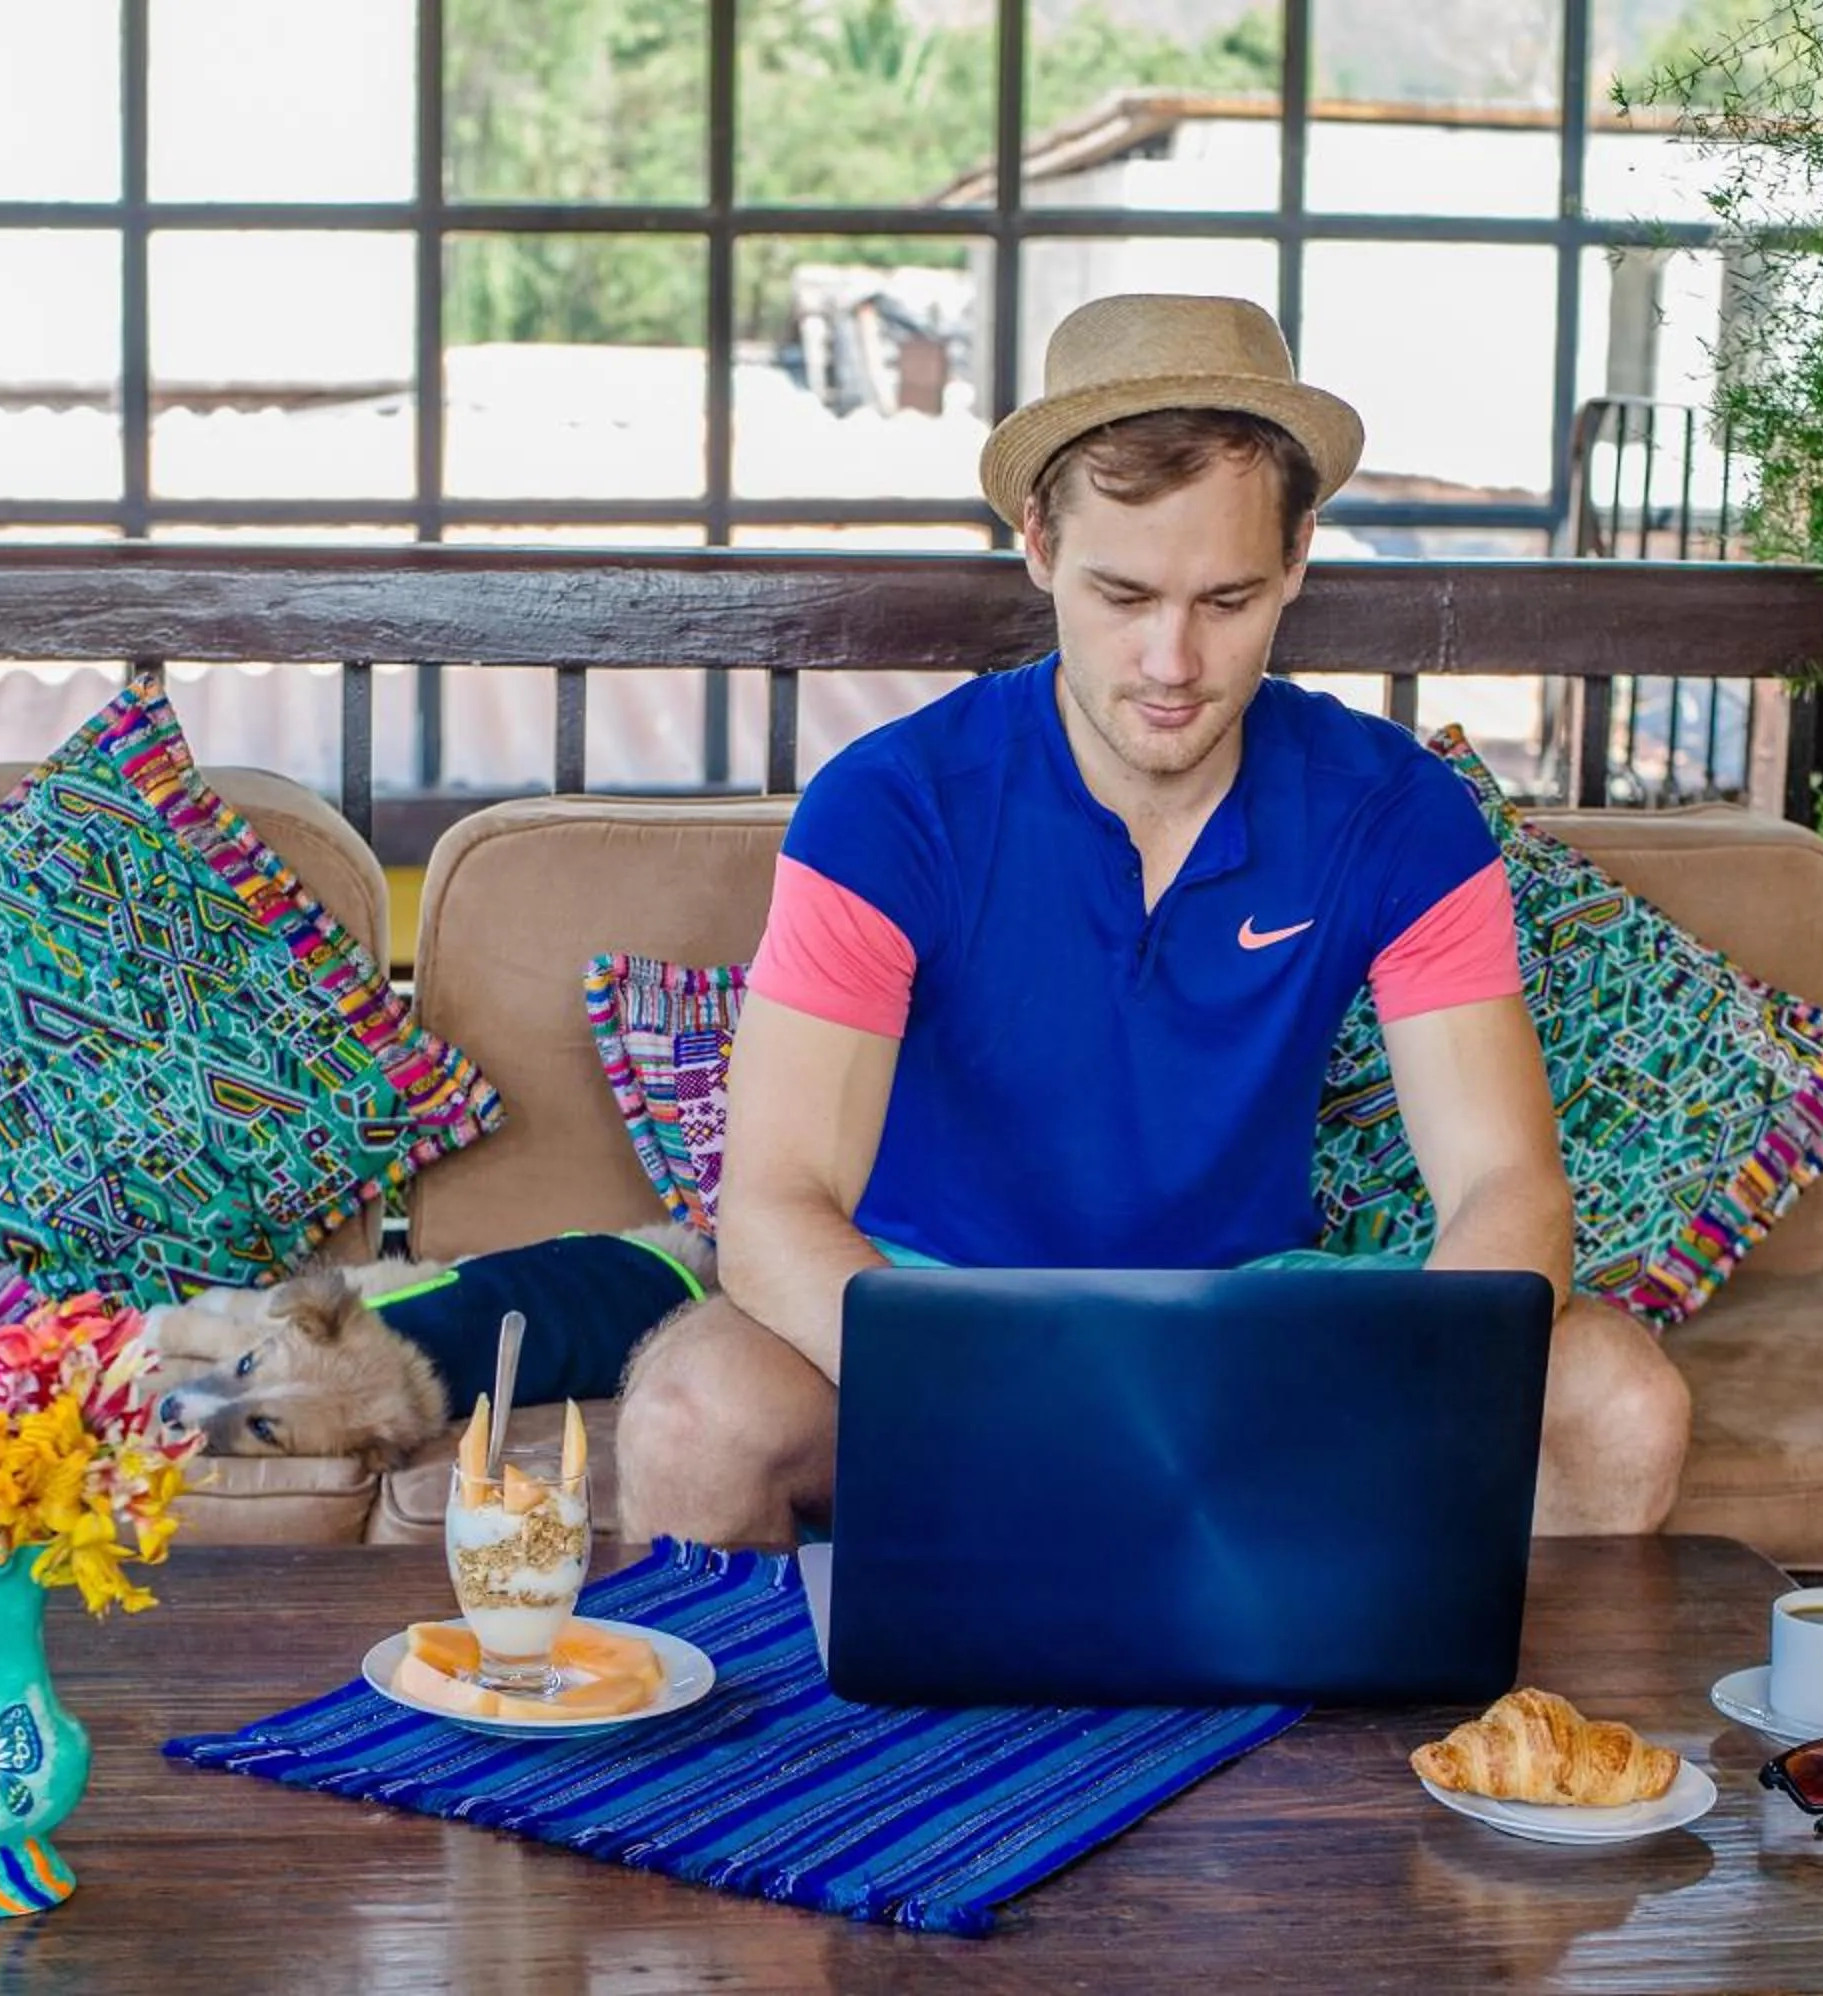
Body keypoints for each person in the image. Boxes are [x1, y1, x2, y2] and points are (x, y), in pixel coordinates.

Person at [615, 292, 1690, 1546]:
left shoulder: (1399, 813)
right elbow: (776, 1205)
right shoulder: (889, 809)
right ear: (1036, 545)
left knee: (1623, 1401)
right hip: (939, 1322)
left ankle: (1464, 1736)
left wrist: (1370, 1391)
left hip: (1251, 1333)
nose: (1171, 663)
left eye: (1226, 600)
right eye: (1123, 596)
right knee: (694, 1412)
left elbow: (1509, 1187)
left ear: (1296, 562)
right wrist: (1026, 1395)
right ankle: (799, 1754)